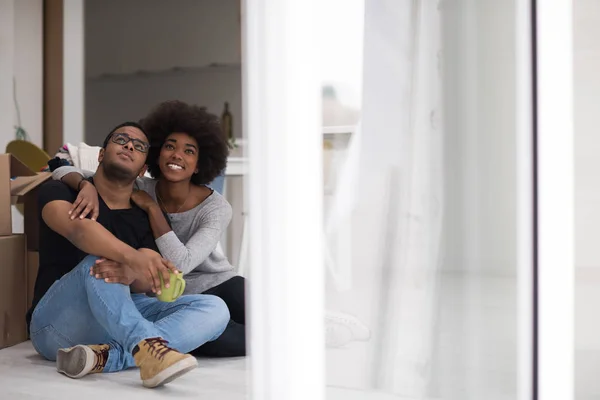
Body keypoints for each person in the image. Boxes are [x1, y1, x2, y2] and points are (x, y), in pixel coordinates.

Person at [53, 101, 371, 352]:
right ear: (157, 151)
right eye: (170, 146)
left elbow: (180, 264)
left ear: (200, 162)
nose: (177, 156)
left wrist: (153, 211)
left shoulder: (214, 207)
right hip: (166, 294)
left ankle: (314, 325)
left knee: (248, 302)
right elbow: (60, 161)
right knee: (222, 341)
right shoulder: (140, 185)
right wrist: (84, 185)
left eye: (189, 151)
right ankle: (298, 338)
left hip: (216, 284)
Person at [28, 122, 230, 388]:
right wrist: (131, 260)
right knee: (101, 263)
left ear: (143, 170)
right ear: (101, 154)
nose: (129, 145)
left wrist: (134, 273)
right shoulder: (62, 192)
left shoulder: (141, 216)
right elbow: (79, 230)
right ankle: (145, 347)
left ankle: (108, 357)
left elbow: (151, 280)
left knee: (215, 307)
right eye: (121, 139)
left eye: (139, 146)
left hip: (115, 321)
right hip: (55, 324)